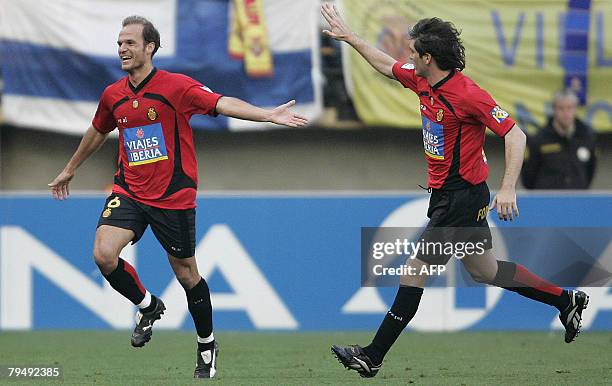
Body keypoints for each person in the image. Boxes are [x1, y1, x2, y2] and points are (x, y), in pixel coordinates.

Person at [321, 4, 589, 378]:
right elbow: (385, 65)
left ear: (428, 58)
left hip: (461, 197)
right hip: (453, 196)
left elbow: (515, 133)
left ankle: (373, 356)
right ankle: (565, 300)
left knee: (413, 271)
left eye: (413, 52)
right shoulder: (422, 79)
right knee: (486, 271)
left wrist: (508, 188)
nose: (407, 56)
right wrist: (351, 38)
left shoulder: (468, 94)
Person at [48, 15, 307, 379]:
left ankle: (206, 344)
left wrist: (266, 115)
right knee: (103, 255)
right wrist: (70, 167)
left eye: (130, 43)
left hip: (173, 196)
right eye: (119, 43)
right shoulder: (113, 94)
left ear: (150, 47)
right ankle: (148, 305)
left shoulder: (176, 87)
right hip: (130, 190)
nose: (122, 48)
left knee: (187, 274)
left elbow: (221, 102)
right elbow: (97, 130)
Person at [522, 89, 597, 189]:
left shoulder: (586, 136)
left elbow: (590, 170)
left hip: (577, 199)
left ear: (575, 109)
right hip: (547, 200)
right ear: (554, 110)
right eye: (561, 108)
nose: (566, 113)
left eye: (570, 108)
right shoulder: (540, 138)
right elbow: (528, 176)